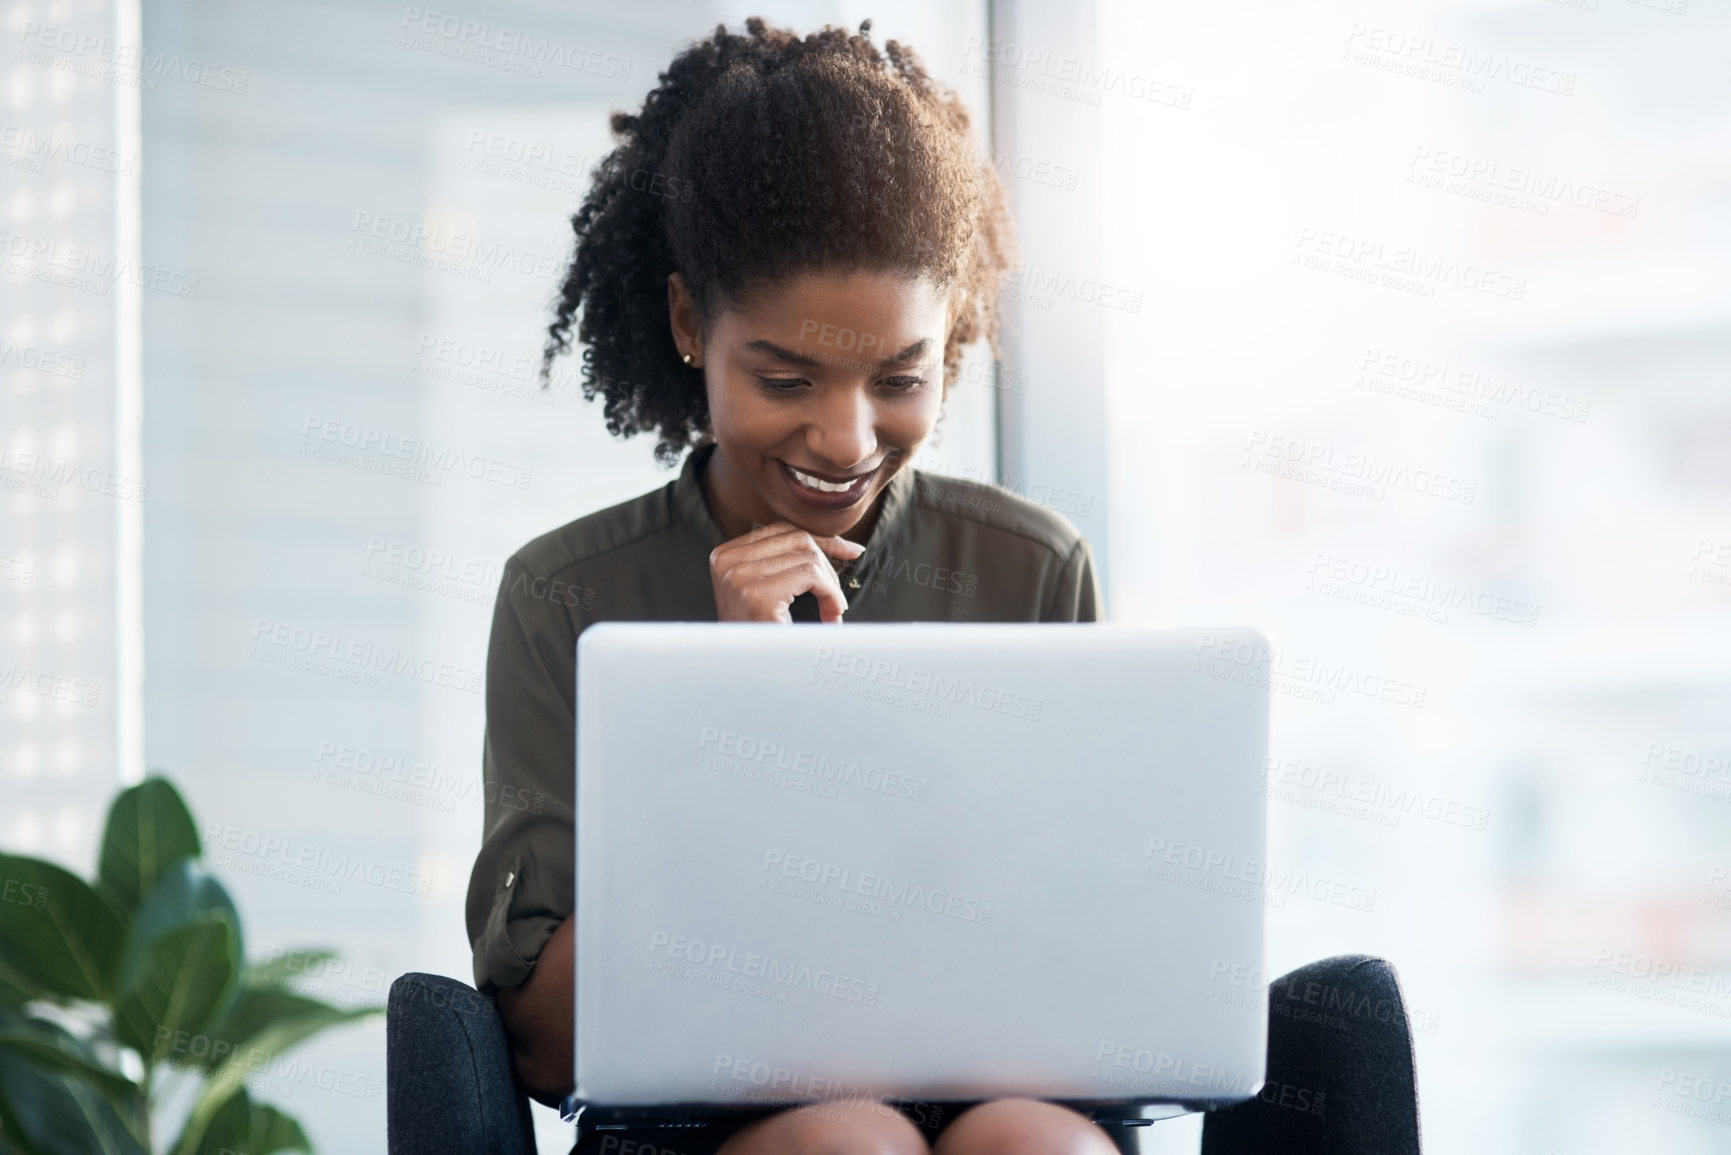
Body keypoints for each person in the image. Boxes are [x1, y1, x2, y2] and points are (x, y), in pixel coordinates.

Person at [462, 18, 1421, 1155]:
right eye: (783, 377)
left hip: (996, 1100)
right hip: (694, 1117)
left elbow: (1093, 954)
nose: (846, 437)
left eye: (901, 378)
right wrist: (734, 705)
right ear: (687, 325)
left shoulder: (1030, 565)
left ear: (952, 335)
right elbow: (541, 1042)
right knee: (849, 1145)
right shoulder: (565, 596)